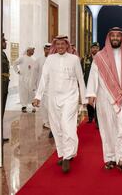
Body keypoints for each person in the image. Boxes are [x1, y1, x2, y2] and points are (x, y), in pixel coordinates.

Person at [86, 27, 122, 175]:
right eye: (112, 36)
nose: (115, 38)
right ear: (109, 38)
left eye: (118, 36)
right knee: (107, 128)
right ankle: (110, 158)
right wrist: (91, 94)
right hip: (105, 98)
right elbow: (93, 76)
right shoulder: (100, 57)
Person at [32, 35, 87, 173]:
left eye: (63, 44)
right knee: (56, 127)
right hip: (53, 97)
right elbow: (44, 77)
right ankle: (63, 153)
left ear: (67, 45)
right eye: (58, 44)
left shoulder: (74, 59)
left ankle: (68, 156)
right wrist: (38, 96)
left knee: (67, 125)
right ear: (55, 46)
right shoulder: (50, 59)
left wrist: (84, 99)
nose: (61, 46)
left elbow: (80, 78)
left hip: (70, 97)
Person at [33, 43, 52, 134]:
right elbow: (35, 74)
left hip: (51, 87)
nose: (48, 51)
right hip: (41, 87)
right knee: (43, 106)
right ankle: (45, 122)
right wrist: (34, 86)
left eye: (49, 49)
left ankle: (51, 121)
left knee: (50, 105)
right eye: (46, 49)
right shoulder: (39, 60)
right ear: (44, 49)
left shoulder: (54, 59)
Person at [81, 42, 100, 127]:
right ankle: (90, 117)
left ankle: (97, 120)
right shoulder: (86, 59)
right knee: (89, 102)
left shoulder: (101, 59)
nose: (94, 49)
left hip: (98, 83)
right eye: (93, 48)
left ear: (98, 49)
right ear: (90, 49)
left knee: (98, 102)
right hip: (87, 83)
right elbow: (81, 71)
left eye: (96, 48)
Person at [13, 47, 36, 113]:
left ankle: (33, 106)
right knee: (23, 92)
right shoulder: (22, 58)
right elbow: (14, 63)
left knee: (32, 93)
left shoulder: (34, 59)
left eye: (34, 51)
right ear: (28, 50)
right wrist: (17, 71)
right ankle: (24, 106)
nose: (33, 52)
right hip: (23, 78)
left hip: (31, 79)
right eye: (32, 50)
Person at [1, 33, 10, 143]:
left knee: (1, 111)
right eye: (3, 41)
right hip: (0, 86)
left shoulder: (2, 53)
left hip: (4, 85)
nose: (6, 43)